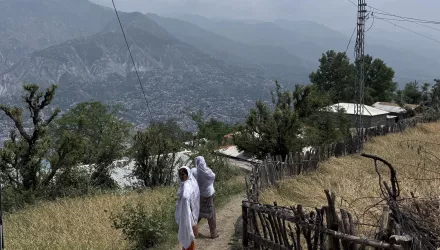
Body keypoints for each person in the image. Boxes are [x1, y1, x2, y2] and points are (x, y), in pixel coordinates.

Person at [176, 166, 200, 250]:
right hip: (184, 213)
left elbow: (188, 199)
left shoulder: (187, 184)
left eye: (183, 174)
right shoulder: (183, 184)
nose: (181, 176)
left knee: (188, 234)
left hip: (188, 214)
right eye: (180, 175)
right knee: (186, 234)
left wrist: (193, 221)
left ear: (188, 174)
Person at [194, 156, 219, 239]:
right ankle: (213, 233)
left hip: (199, 195)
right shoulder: (207, 171)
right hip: (208, 195)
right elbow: (213, 176)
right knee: (211, 214)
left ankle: (191, 231)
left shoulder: (194, 171)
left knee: (198, 213)